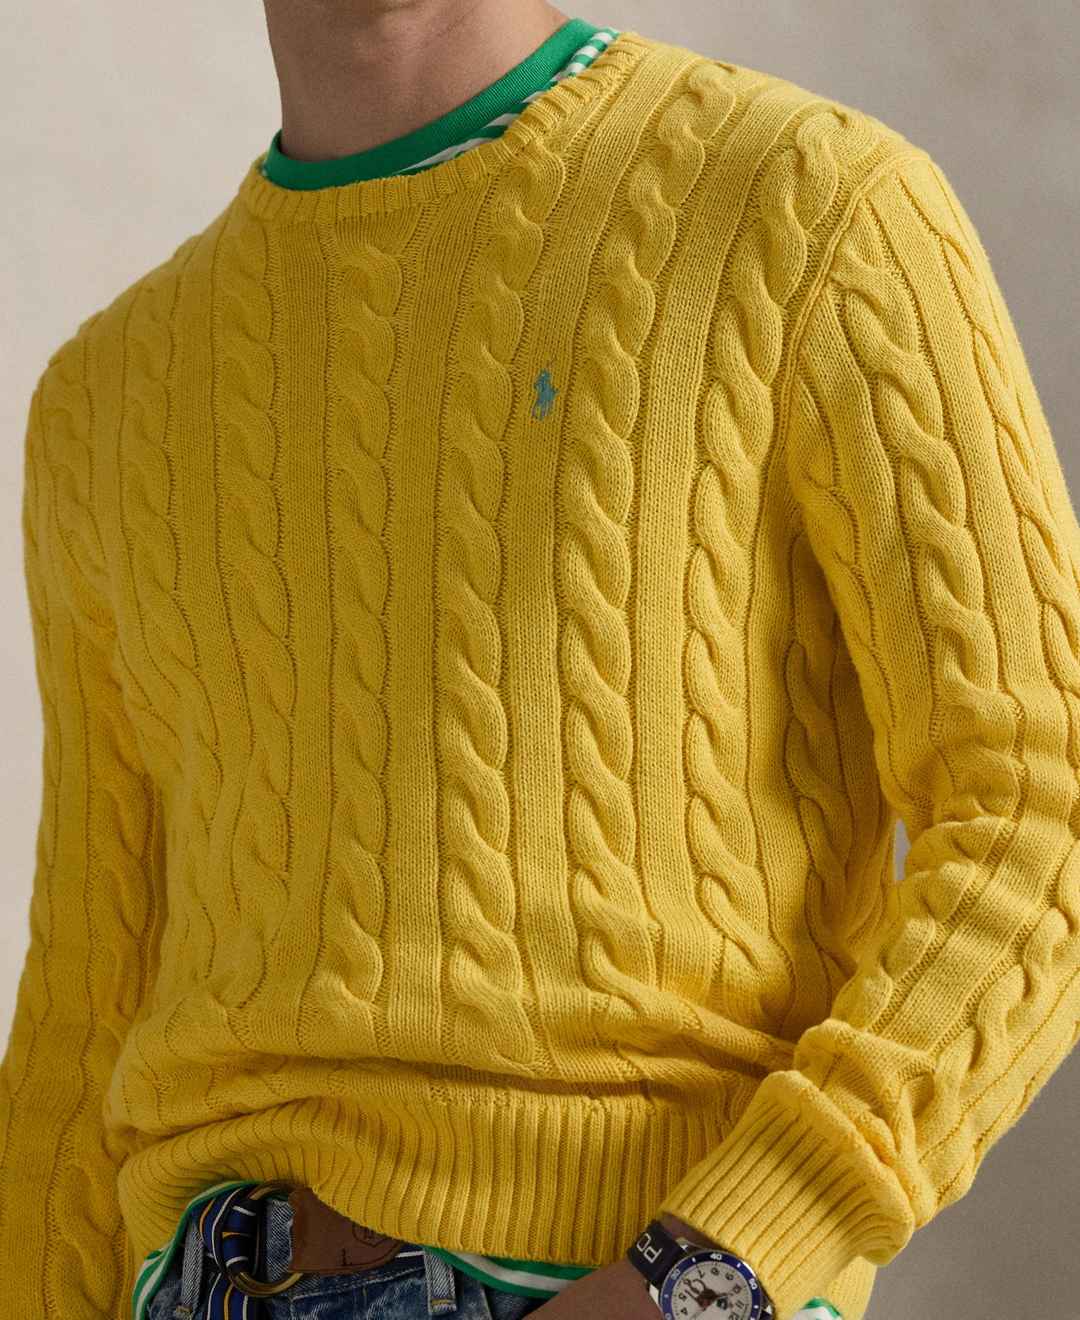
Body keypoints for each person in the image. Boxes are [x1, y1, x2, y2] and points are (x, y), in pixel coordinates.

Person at [3, 2, 1078, 1318]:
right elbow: (83, 1015)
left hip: (622, 1266)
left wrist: (714, 1273)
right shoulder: (107, 394)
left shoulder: (811, 207)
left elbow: (1042, 808)